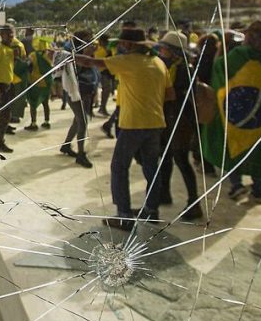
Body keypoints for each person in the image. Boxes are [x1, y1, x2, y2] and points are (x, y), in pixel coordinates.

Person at [77, 27, 170, 229]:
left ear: (128, 45)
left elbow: (90, 62)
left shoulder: (127, 61)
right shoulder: (158, 63)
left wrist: (65, 56)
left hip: (133, 124)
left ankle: (124, 215)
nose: (119, 46)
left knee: (119, 167)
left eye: (122, 43)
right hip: (156, 123)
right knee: (152, 168)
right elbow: (169, 95)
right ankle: (151, 211)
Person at [202, 20, 261, 204]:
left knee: (232, 146)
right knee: (260, 149)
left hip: (236, 115)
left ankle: (236, 185)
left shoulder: (238, 55)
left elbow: (219, 70)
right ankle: (257, 190)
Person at [153, 31, 203, 219]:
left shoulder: (184, 69)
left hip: (180, 120)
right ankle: (164, 192)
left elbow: (175, 95)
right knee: (165, 157)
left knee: (181, 160)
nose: (161, 51)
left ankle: (194, 202)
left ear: (173, 51)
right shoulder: (173, 66)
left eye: (164, 48)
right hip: (170, 118)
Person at [53, 31, 93, 168]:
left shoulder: (84, 51)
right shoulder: (71, 53)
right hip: (74, 91)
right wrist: (85, 56)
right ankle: (81, 154)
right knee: (82, 121)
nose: (90, 42)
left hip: (86, 90)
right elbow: (74, 71)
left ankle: (66, 145)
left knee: (77, 120)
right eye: (87, 40)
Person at [24, 43, 53, 131]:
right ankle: (47, 122)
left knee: (33, 103)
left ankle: (33, 123)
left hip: (36, 81)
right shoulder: (49, 55)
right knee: (45, 103)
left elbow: (28, 66)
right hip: (47, 81)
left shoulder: (33, 55)